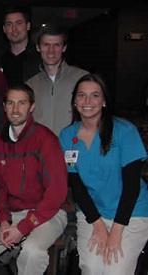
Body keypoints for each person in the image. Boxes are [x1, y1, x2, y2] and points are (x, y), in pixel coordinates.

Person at [0, 83, 68, 275]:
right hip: (12, 212)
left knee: (32, 252)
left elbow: (56, 192)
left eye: (21, 103)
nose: (15, 109)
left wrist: (23, 227)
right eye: (10, 103)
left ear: (32, 107)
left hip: (48, 213)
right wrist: (3, 220)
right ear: (4, 107)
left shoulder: (45, 139)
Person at [59, 74, 148, 275]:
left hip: (131, 213)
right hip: (93, 213)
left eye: (95, 95)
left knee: (114, 269)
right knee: (92, 267)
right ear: (74, 102)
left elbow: (131, 188)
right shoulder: (67, 136)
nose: (87, 102)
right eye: (81, 95)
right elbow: (77, 185)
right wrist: (98, 225)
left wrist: (116, 231)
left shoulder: (125, 131)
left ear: (104, 101)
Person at [26, 24, 88, 136]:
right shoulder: (30, 85)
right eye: (46, 45)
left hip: (74, 147)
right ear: (38, 47)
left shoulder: (82, 79)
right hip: (41, 150)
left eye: (56, 45)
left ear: (64, 48)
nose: (51, 51)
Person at [0, 6, 41, 86]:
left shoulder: (40, 58)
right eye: (9, 24)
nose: (14, 29)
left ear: (28, 26)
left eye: (18, 23)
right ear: (4, 29)